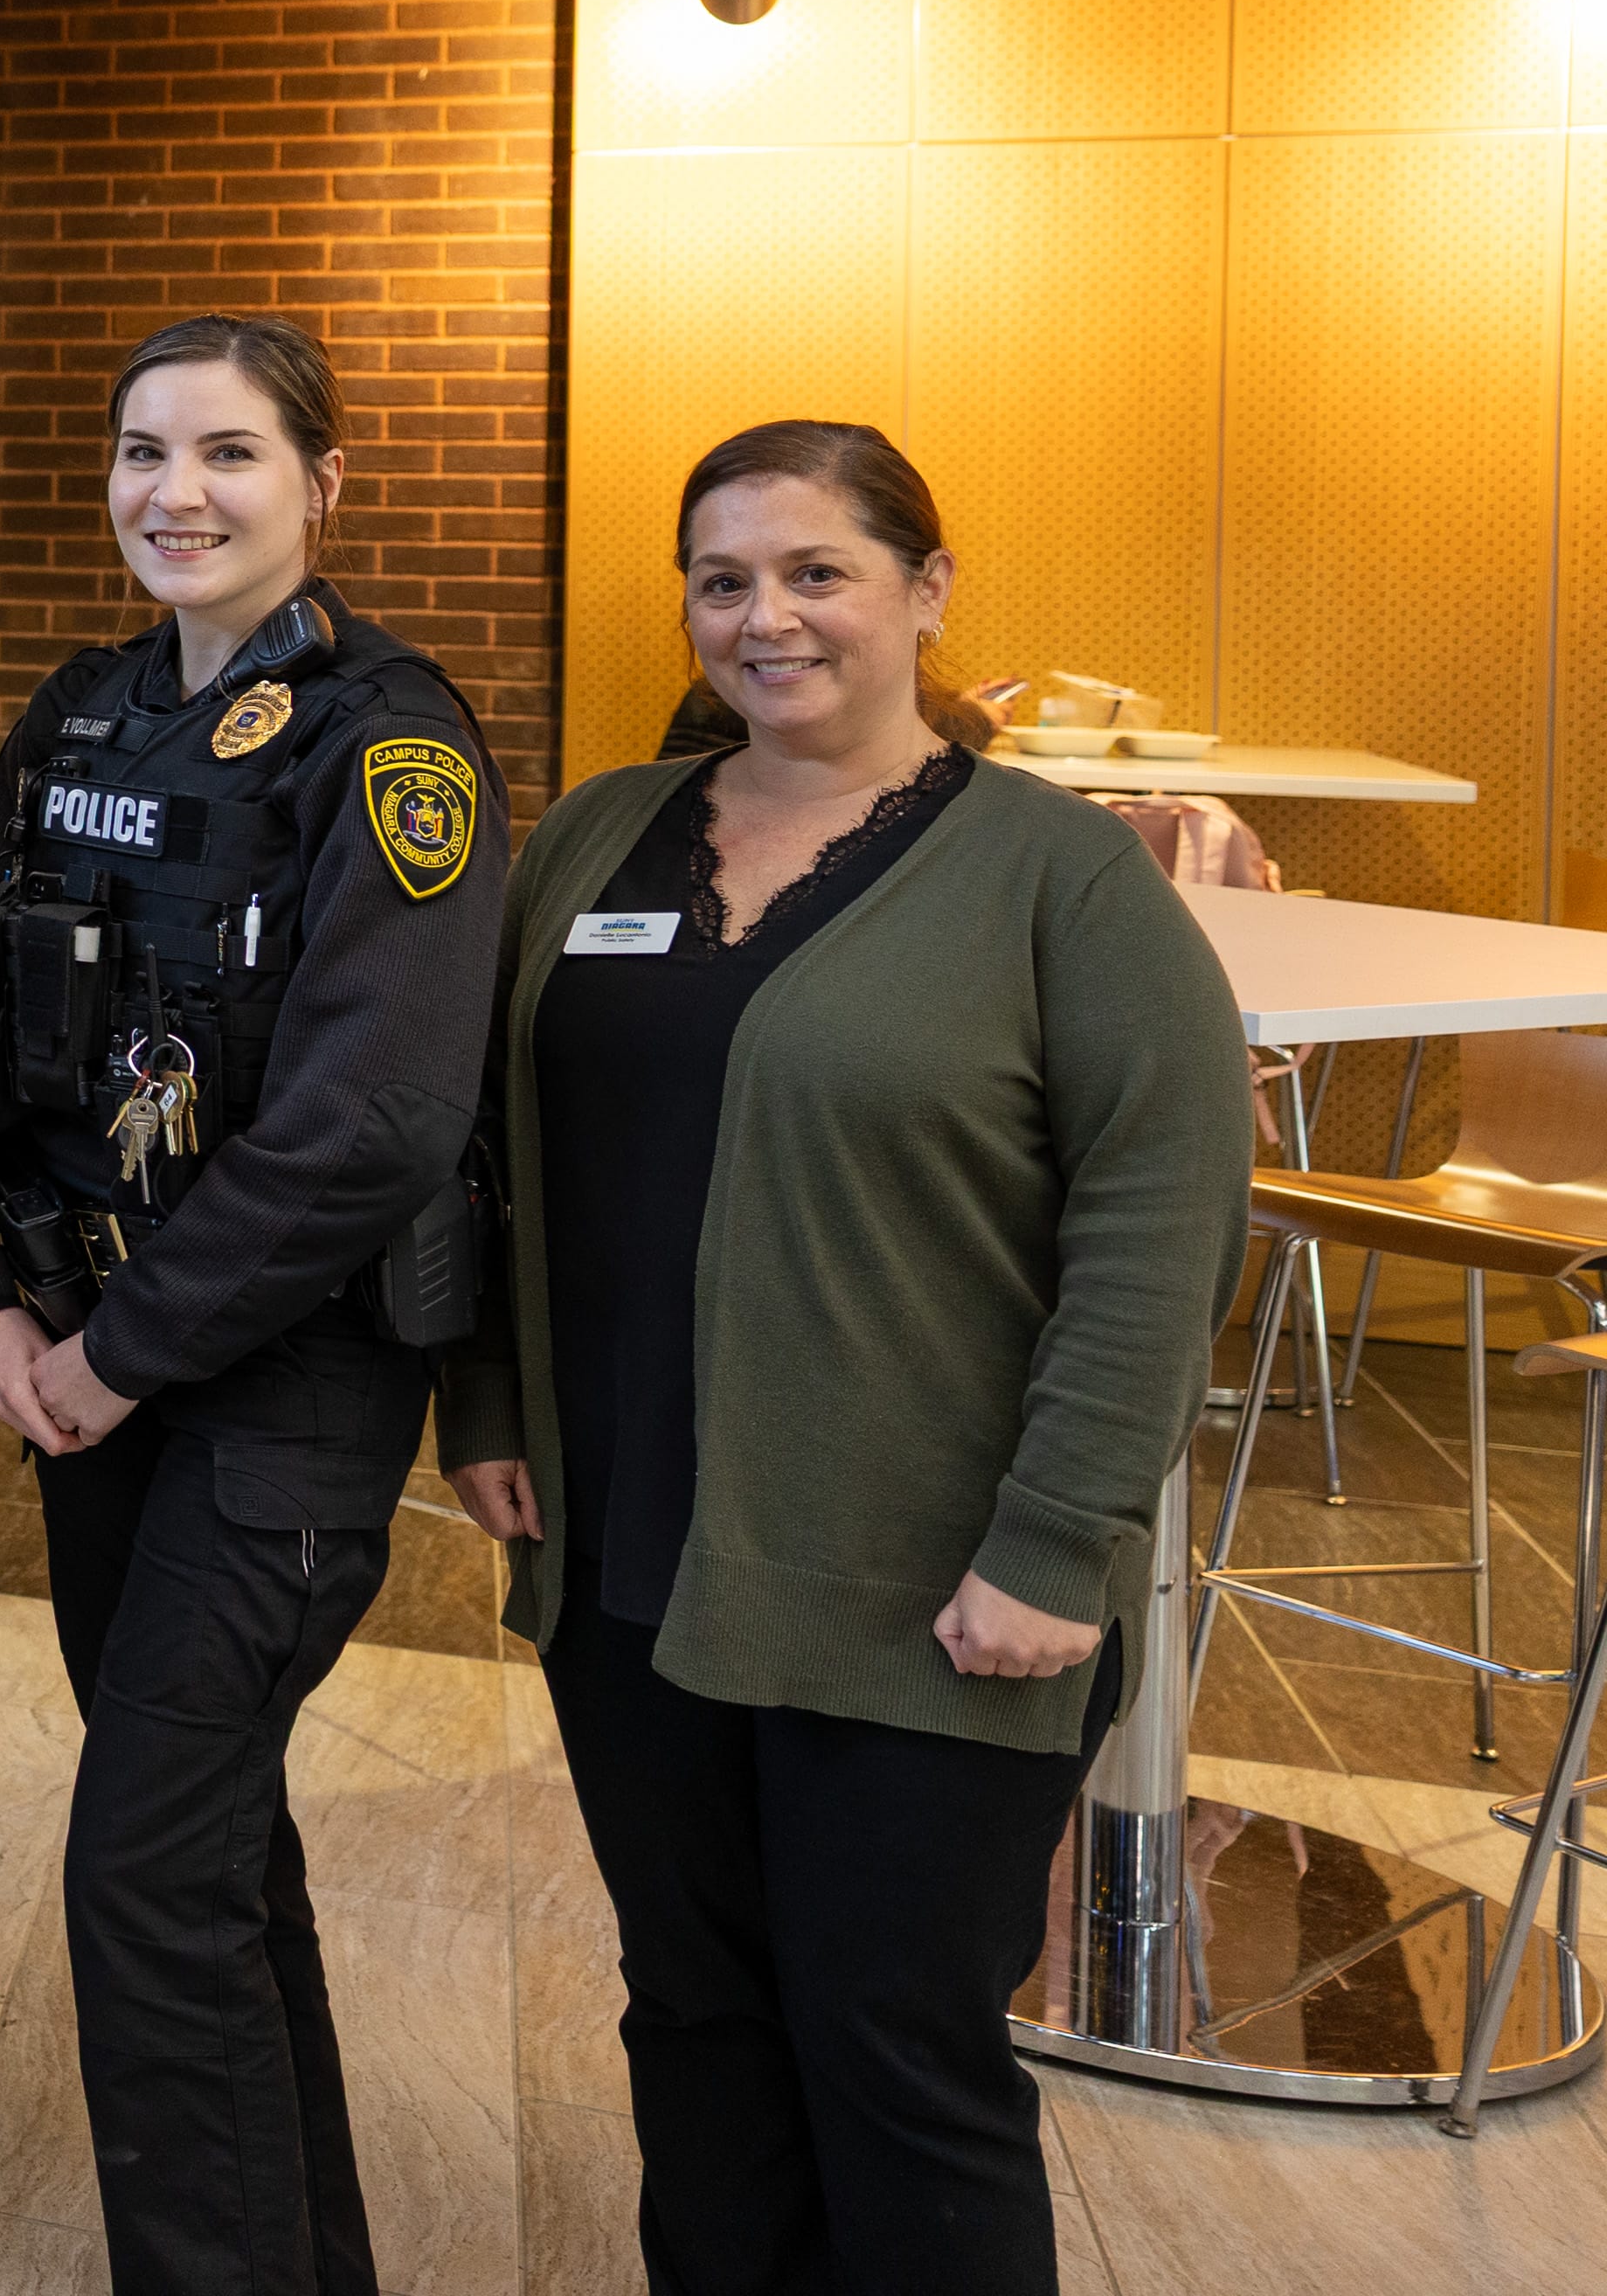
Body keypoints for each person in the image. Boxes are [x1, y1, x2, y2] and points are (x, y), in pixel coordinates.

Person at [440, 422, 1248, 2296]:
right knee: (698, 2019)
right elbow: (487, 1146)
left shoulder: (1063, 879)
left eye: (818, 571)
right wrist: (484, 1393)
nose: (765, 615)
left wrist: (1060, 1542)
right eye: (724, 578)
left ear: (927, 590)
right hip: (630, 1547)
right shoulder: (595, 832)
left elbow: (1160, 1227)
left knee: (899, 2052)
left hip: (926, 1577)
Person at [0, 312, 506, 2296]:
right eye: (144, 450)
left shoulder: (389, 740)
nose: (179, 492)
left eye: (231, 453)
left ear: (325, 484)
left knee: (145, 1875)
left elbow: (373, 1125)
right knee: (217, 1859)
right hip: (83, 1376)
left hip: (274, 1399)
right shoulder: (75, 715)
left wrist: (109, 1351)